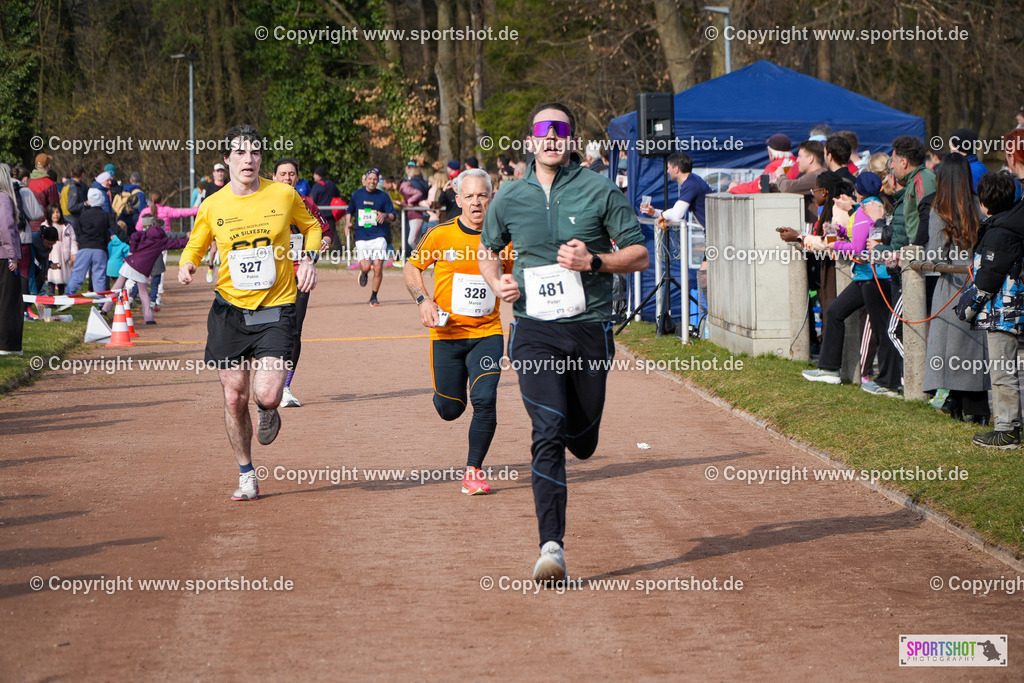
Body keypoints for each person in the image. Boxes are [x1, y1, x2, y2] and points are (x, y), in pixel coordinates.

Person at [478, 102, 648, 582]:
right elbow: (487, 253)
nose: (551, 139)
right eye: (542, 131)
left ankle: (582, 431)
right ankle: (551, 546)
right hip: (533, 330)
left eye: (560, 131)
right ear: (530, 140)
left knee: (583, 441)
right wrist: (498, 283)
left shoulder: (597, 188)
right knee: (547, 431)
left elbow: (638, 254)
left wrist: (592, 261)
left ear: (570, 139)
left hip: (589, 329)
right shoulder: (509, 196)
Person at [177, 124, 322, 501]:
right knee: (232, 396)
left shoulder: (284, 194)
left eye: (255, 152)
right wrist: (187, 263)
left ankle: (269, 409)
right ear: (227, 160)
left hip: (275, 306)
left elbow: (312, 228)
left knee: (268, 393)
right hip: (230, 310)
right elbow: (197, 242)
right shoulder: (213, 204)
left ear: (262, 159)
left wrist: (308, 259)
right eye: (240, 152)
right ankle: (246, 473)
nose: (249, 159)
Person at [405, 169, 512, 495]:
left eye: (482, 195)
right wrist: (424, 300)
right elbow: (412, 268)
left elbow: (520, 273)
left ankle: (473, 471)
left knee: (485, 399)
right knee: (450, 409)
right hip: (447, 334)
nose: (476, 202)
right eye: (469, 196)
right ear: (458, 199)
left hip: (487, 333)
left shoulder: (506, 238)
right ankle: (447, 396)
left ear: (491, 197)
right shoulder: (440, 234)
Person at [799, 173, 901, 394]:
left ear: (858, 190)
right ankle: (829, 370)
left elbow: (856, 248)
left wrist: (833, 244)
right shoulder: (872, 206)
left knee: (883, 330)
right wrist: (839, 232)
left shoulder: (865, 210)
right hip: (867, 277)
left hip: (875, 278)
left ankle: (889, 383)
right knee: (836, 311)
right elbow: (860, 236)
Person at [924, 154, 988, 422]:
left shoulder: (940, 209)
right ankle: (974, 407)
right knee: (972, 347)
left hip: (951, 286)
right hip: (978, 283)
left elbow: (935, 257)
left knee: (950, 347)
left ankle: (955, 402)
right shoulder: (979, 205)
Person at [271, 157, 334, 408]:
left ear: (297, 178)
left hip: (299, 273)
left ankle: (285, 387)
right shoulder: (262, 203)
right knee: (267, 329)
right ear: (273, 177)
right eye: (283, 174)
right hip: (269, 276)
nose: (287, 178)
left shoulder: (306, 203)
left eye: (292, 174)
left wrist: (323, 244)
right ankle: (265, 381)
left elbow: (325, 231)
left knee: (293, 330)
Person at [345, 169, 394, 307]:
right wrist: (348, 223)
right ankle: (364, 272)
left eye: (375, 179)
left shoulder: (383, 196)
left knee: (378, 268)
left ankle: (374, 296)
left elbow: (392, 216)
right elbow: (349, 210)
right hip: (362, 237)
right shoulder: (357, 194)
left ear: (378, 181)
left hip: (379, 236)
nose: (372, 181)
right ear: (365, 179)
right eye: (370, 178)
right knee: (366, 266)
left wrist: (384, 215)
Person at [67, 188, 123, 295]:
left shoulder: (82, 215)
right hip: (100, 249)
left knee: (78, 273)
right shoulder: (106, 215)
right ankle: (101, 302)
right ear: (102, 201)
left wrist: (81, 241)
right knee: (99, 276)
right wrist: (128, 241)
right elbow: (117, 229)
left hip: (84, 248)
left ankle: (68, 295)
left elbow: (78, 230)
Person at [639, 151, 712, 229]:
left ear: (676, 169)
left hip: (716, 232)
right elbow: (675, 212)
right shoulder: (693, 180)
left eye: (668, 168)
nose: (667, 171)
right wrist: (654, 213)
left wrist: (663, 215)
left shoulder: (691, 184)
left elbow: (677, 215)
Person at [772, 140, 826, 224]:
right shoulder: (819, 174)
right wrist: (772, 187)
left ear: (810, 158)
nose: (797, 160)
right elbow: (796, 186)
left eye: (800, 156)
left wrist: (781, 175)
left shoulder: (816, 176)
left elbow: (787, 188)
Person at [0, 165, 24, 355]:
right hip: (4, 257)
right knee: (9, 301)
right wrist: (11, 255)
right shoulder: (4, 199)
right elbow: (6, 228)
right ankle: (8, 344)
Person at [728, 134, 799, 194]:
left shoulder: (774, 166)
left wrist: (735, 188)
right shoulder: (796, 163)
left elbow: (758, 187)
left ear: (771, 153)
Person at [43, 204, 76, 295]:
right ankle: (51, 296)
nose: (56, 215)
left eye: (57, 212)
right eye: (53, 213)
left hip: (63, 254)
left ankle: (61, 297)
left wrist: (73, 253)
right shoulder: (45, 225)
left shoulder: (67, 226)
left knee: (63, 275)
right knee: (51, 276)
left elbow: (72, 240)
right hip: (51, 253)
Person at [399, 162, 427, 255]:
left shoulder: (410, 183)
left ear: (409, 169)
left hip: (416, 213)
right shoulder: (423, 181)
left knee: (412, 240)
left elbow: (418, 193)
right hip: (419, 213)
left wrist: (410, 201)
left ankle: (424, 257)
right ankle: (423, 258)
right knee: (418, 239)